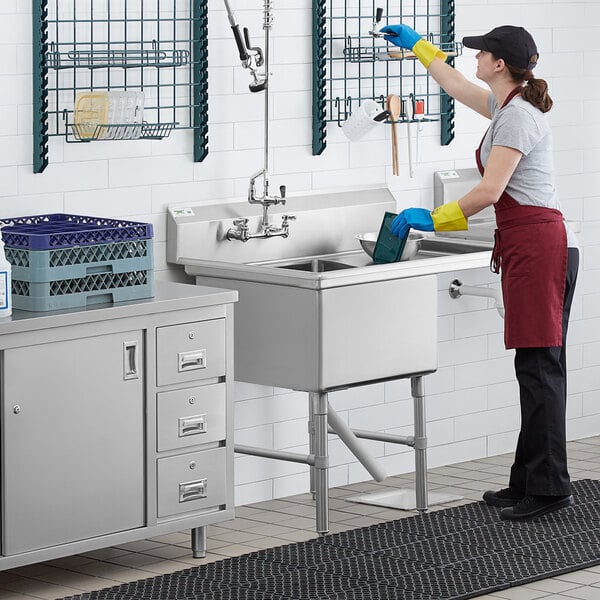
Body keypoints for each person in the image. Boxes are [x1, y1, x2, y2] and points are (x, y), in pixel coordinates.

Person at [379, 23, 579, 521]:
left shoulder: (517, 119)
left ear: (499, 63)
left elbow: (490, 191)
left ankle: (550, 488)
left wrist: (434, 218)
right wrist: (420, 50)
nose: (475, 57)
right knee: (534, 368)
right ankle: (527, 481)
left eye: (481, 52)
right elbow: (455, 85)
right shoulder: (506, 106)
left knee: (540, 370)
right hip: (528, 245)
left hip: (540, 247)